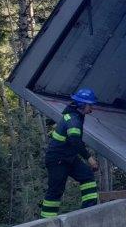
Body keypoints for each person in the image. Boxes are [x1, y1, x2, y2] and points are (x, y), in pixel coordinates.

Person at [40, 88, 100, 218]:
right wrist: (89, 158)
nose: (92, 109)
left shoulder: (77, 114)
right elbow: (75, 142)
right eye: (90, 105)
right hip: (57, 160)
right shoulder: (73, 120)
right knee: (55, 191)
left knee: (87, 175)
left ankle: (88, 212)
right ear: (82, 105)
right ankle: (46, 223)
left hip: (69, 157)